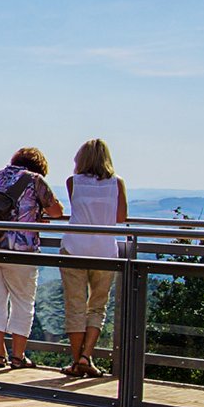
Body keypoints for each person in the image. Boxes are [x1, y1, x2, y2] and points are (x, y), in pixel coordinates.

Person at [0, 147, 65, 370]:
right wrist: (38, 215)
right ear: (40, 167)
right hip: (20, 249)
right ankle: (18, 357)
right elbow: (57, 212)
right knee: (23, 302)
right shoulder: (36, 180)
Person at [60, 138, 127, 377]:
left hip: (75, 247)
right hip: (105, 250)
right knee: (97, 306)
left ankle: (77, 361)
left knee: (75, 306)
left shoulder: (73, 182)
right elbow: (121, 217)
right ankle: (87, 356)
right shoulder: (117, 183)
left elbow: (76, 209)